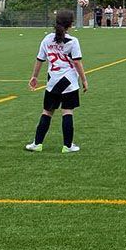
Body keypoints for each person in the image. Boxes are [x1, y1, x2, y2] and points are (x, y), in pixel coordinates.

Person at [26, 9, 87, 153]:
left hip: (53, 81)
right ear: (70, 24)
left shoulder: (47, 39)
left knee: (47, 112)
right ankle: (67, 146)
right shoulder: (73, 41)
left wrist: (34, 77)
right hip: (69, 83)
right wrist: (84, 80)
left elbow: (40, 59)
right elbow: (77, 62)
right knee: (67, 112)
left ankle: (37, 144)